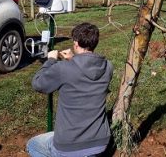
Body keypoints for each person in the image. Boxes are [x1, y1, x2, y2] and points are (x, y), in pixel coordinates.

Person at [26, 22, 113, 157]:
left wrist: (50, 60)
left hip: (69, 146)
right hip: (99, 142)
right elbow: (85, 73)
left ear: (76, 43)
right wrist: (74, 58)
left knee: (33, 145)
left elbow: (38, 84)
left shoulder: (63, 69)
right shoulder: (108, 67)